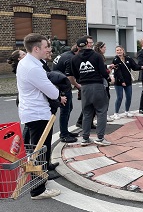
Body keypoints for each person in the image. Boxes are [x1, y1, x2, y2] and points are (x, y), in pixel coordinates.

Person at [16, 33, 67, 199]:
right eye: (46, 47)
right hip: (38, 114)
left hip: (32, 112)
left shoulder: (27, 63)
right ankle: (38, 190)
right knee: (39, 152)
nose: (49, 49)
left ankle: (39, 181)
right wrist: (58, 94)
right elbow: (52, 92)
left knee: (35, 151)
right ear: (36, 48)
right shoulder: (33, 67)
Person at [70, 36, 111, 146]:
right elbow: (103, 71)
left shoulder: (74, 58)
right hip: (97, 86)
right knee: (101, 111)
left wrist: (81, 79)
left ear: (78, 46)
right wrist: (108, 78)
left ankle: (85, 138)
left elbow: (75, 74)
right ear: (88, 44)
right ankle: (100, 138)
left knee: (87, 113)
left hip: (84, 87)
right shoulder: (97, 56)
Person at [52, 45, 80, 143]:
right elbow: (69, 77)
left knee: (69, 108)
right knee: (65, 110)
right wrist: (77, 85)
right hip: (62, 85)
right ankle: (63, 134)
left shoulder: (66, 54)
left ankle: (65, 131)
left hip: (59, 82)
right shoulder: (71, 58)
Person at [111, 45, 143, 119]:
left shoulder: (128, 58)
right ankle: (116, 113)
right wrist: (122, 81)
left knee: (129, 96)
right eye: (117, 50)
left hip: (128, 80)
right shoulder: (115, 60)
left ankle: (127, 111)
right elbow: (117, 72)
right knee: (120, 97)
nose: (119, 52)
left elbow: (134, 66)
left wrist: (141, 67)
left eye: (120, 50)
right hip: (119, 82)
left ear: (123, 51)